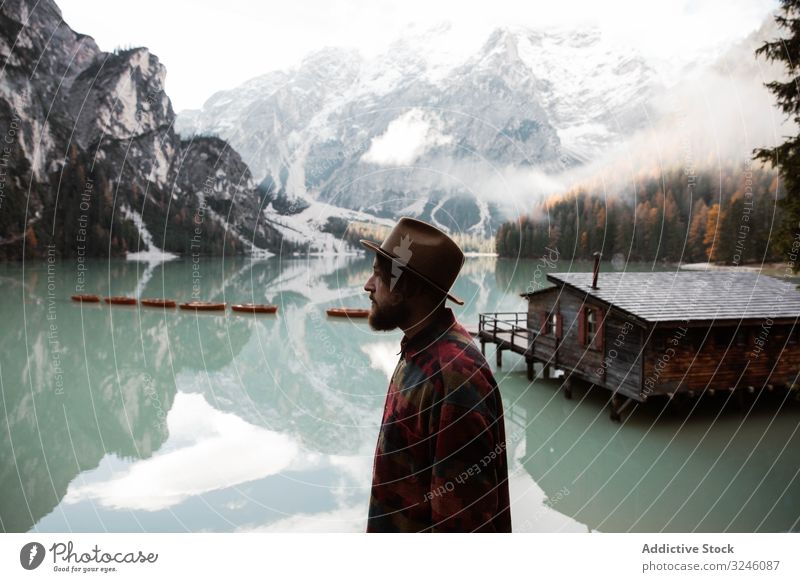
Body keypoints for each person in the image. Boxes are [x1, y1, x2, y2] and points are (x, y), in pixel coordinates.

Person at [361, 217, 511, 532]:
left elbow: (462, 526)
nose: (368, 286)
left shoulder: (456, 377)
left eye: (378, 275)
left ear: (405, 288)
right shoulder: (421, 351)